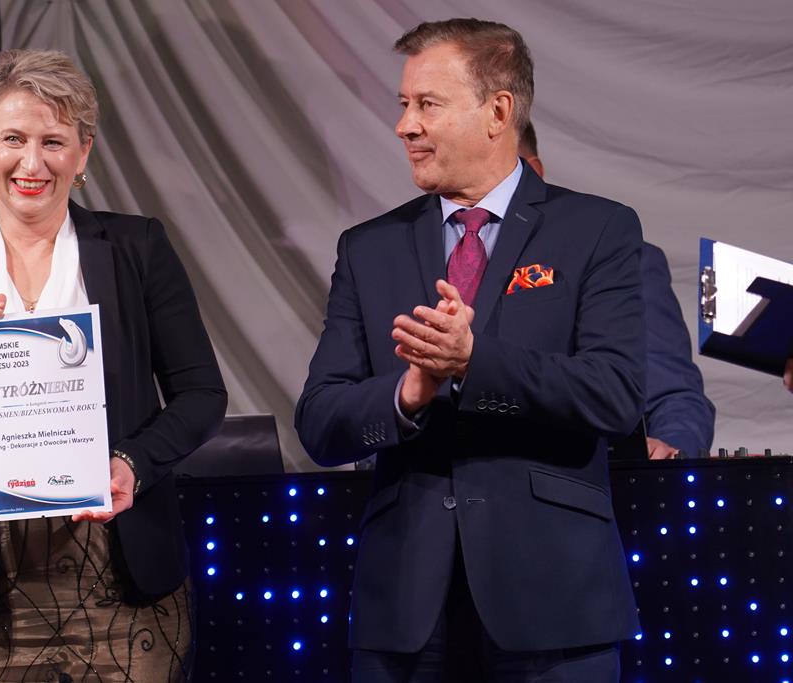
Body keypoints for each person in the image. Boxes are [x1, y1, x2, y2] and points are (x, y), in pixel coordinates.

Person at [296, 19, 643, 681]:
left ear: (498, 112)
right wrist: (408, 394)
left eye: (427, 104)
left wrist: (473, 362)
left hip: (554, 604)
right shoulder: (368, 248)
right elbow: (319, 422)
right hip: (405, 610)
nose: (405, 125)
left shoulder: (597, 229)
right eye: (404, 104)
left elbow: (615, 395)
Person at [0, 49, 226, 681]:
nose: (32, 164)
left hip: (124, 586)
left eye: (53, 141)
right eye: (13, 139)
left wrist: (132, 463)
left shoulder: (137, 248)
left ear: (83, 153)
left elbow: (201, 395)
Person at [519, 122, 716, 459]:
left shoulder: (618, 259)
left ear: (532, 172)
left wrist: (668, 449)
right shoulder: (424, 253)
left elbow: (674, 396)